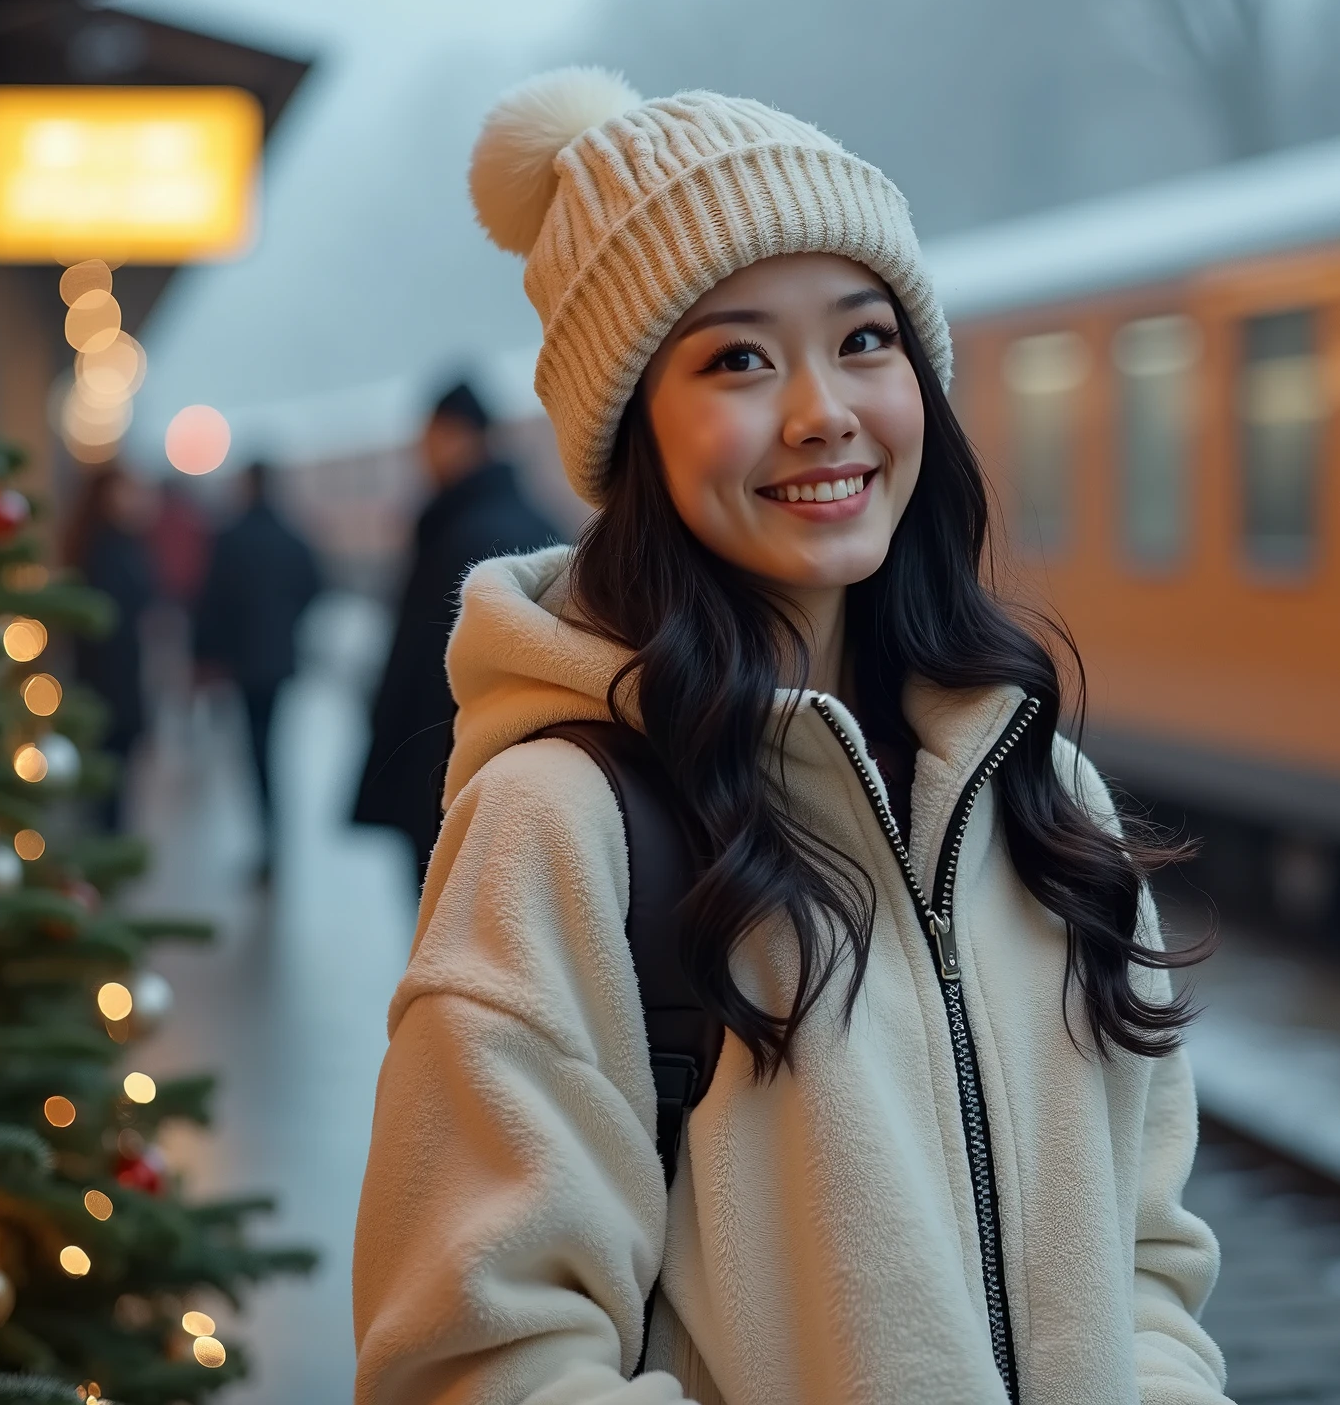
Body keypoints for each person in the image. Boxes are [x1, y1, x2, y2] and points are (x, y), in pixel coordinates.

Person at [352, 71, 1226, 1405]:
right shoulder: (564, 825)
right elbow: (479, 1363)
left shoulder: (1047, 796)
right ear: (631, 427)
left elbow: (1150, 1269)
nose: (824, 409)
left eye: (866, 340)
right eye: (741, 358)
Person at [351, 380, 560, 875]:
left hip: (447, 771)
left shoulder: (460, 534)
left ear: (456, 437)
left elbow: (425, 666)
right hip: (518, 773)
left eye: (428, 439)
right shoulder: (534, 520)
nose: (422, 455)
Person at [192, 461, 322, 884]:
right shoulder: (292, 535)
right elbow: (316, 585)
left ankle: (268, 842)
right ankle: (276, 838)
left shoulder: (230, 538)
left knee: (256, 752)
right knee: (274, 748)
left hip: (244, 664)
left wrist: (206, 656)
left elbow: (211, 601)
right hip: (280, 662)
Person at [65, 465, 158, 829]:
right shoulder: (101, 550)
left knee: (118, 772)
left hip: (123, 674)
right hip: (106, 678)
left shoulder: (127, 542)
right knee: (109, 770)